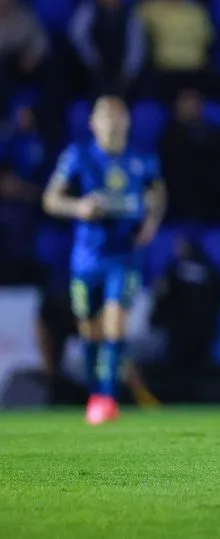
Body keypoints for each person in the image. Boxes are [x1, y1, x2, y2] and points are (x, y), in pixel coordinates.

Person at [41, 96, 166, 424]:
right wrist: (79, 207)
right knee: (90, 329)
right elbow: (51, 199)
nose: (111, 122)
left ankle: (107, 398)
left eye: (117, 116)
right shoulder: (78, 156)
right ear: (92, 123)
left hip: (123, 253)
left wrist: (150, 223)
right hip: (87, 257)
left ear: (127, 121)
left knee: (115, 321)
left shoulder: (141, 159)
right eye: (104, 116)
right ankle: (96, 393)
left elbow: (157, 194)